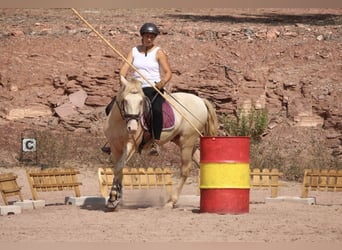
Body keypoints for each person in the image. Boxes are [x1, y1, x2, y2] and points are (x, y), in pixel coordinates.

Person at [119, 22, 172, 156]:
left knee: (156, 110)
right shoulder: (134, 51)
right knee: (112, 107)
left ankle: (155, 142)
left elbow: (168, 72)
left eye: (152, 37)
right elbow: (124, 68)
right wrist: (123, 80)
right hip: (135, 87)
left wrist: (162, 82)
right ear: (142, 36)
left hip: (153, 87)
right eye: (147, 36)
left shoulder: (158, 52)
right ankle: (113, 139)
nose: (149, 39)